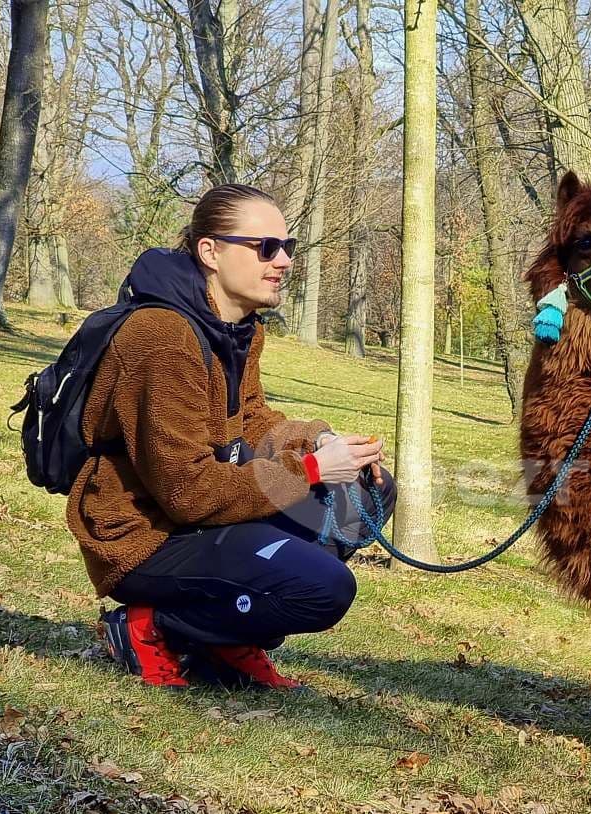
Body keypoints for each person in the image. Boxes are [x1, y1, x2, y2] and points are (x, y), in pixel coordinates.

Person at [66, 184, 396, 690]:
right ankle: (151, 625)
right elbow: (187, 492)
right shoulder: (161, 337)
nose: (283, 261)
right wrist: (307, 471)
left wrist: (321, 442)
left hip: (206, 519)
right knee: (323, 589)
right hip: (146, 537)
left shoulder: (239, 328)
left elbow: (253, 421)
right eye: (265, 247)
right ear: (210, 251)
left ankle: (227, 637)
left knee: (368, 494)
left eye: (289, 246)